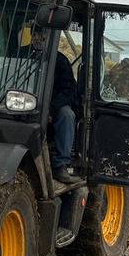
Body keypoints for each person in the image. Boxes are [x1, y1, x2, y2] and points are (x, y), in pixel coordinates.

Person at [50, 50, 80, 184]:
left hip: (53, 105)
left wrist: (50, 110)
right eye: (35, 34)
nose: (38, 38)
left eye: (41, 35)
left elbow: (68, 90)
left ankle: (60, 164)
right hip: (22, 102)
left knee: (67, 115)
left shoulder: (60, 61)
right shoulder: (21, 54)